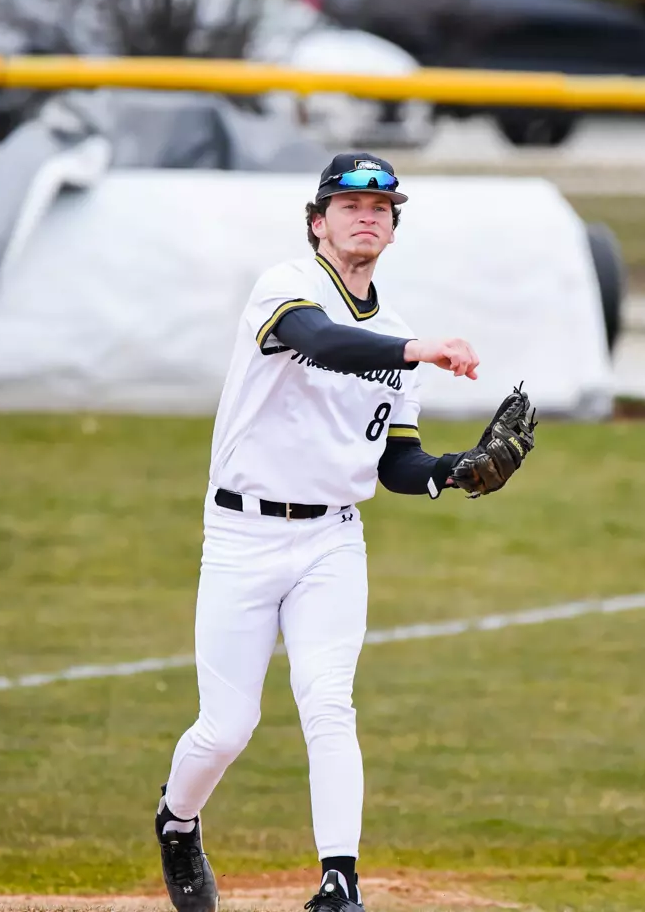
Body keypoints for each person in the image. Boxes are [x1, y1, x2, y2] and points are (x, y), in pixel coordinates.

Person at [153, 153, 537, 912]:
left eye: (382, 207)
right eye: (350, 203)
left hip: (331, 540)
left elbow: (395, 461)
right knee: (227, 726)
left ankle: (338, 882)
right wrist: (417, 350)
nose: (367, 215)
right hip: (241, 534)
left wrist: (455, 470)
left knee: (328, 702)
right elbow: (319, 341)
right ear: (318, 220)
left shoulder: (398, 340)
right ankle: (177, 820)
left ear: (394, 230)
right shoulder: (286, 286)